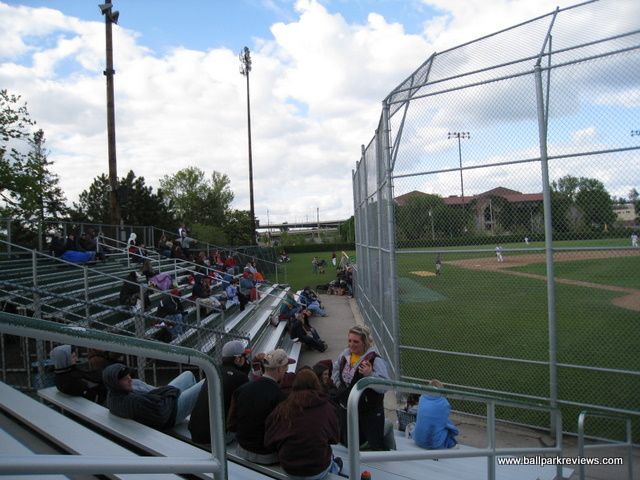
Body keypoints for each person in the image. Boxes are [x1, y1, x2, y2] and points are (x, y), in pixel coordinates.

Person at [264, 369, 342, 479]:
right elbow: (334, 439)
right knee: (331, 456)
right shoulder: (327, 408)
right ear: (316, 384)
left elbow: (269, 440)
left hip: (289, 469)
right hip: (317, 470)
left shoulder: (282, 408)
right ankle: (335, 468)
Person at [227, 349, 295, 464]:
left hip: (241, 448)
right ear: (279, 369)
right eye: (285, 368)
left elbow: (231, 424)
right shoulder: (280, 397)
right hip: (266, 455)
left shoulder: (242, 389)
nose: (286, 371)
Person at [333, 324, 390, 451]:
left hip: (369, 413)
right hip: (348, 408)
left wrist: (370, 375)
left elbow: (384, 386)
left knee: (372, 445)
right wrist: (341, 387)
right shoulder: (345, 354)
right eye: (349, 340)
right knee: (350, 442)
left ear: (364, 342)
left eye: (356, 341)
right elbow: (335, 370)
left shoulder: (375, 360)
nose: (351, 344)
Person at [102, 363, 203, 430]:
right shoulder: (131, 401)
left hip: (165, 404)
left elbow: (154, 397)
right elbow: (161, 415)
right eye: (124, 379)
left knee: (188, 375)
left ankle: (195, 410)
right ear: (115, 383)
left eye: (128, 375)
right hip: (171, 416)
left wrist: (166, 393)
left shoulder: (114, 393)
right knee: (205, 384)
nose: (130, 379)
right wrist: (170, 394)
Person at [189, 340, 251, 444]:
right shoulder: (240, 378)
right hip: (216, 439)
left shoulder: (214, 370)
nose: (247, 359)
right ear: (237, 359)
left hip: (194, 430)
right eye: (244, 356)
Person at [413, 380, 459, 450]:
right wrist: (455, 431)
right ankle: (451, 445)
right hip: (434, 445)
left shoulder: (422, 398)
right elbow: (446, 423)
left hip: (417, 440)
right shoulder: (444, 403)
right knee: (448, 432)